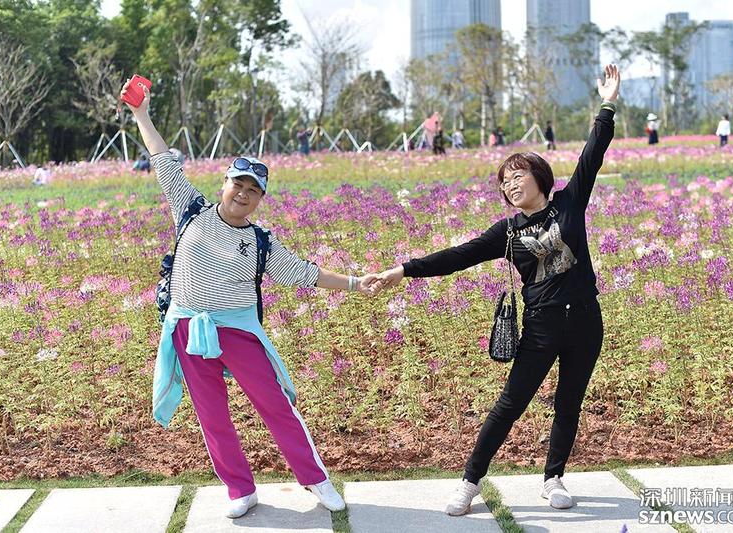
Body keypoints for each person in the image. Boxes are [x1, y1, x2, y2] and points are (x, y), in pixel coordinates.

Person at [120, 78, 380, 519]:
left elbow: (304, 273)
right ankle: (239, 489)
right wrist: (141, 114)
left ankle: (316, 479)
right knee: (212, 415)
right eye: (238, 184)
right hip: (188, 328)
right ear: (224, 183)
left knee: (275, 404)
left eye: (253, 190)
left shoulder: (261, 242)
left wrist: (356, 283)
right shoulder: (190, 209)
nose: (243, 193)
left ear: (260, 198)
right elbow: (162, 158)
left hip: (238, 329)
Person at [372, 63, 621, 516]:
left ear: (539, 176)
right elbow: (456, 256)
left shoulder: (569, 202)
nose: (510, 184)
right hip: (542, 326)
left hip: (586, 319)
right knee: (510, 404)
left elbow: (594, 152)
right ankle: (469, 483)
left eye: (517, 174)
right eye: (505, 181)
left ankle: (554, 478)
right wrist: (403, 270)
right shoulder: (506, 233)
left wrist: (607, 105)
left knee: (569, 403)